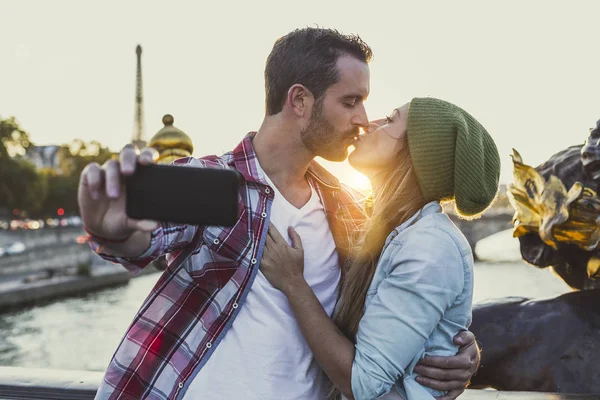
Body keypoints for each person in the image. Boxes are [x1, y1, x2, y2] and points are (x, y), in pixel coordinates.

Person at [79, 28, 480, 400]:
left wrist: (463, 353)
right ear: (301, 100)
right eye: (350, 101)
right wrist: (108, 229)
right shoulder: (211, 181)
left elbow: (395, 316)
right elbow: (139, 242)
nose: (362, 119)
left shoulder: (352, 211)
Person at [260, 98, 500, 399]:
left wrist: (294, 284)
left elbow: (364, 384)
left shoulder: (429, 246)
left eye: (389, 120)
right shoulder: (368, 223)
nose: (367, 124)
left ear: (416, 153)